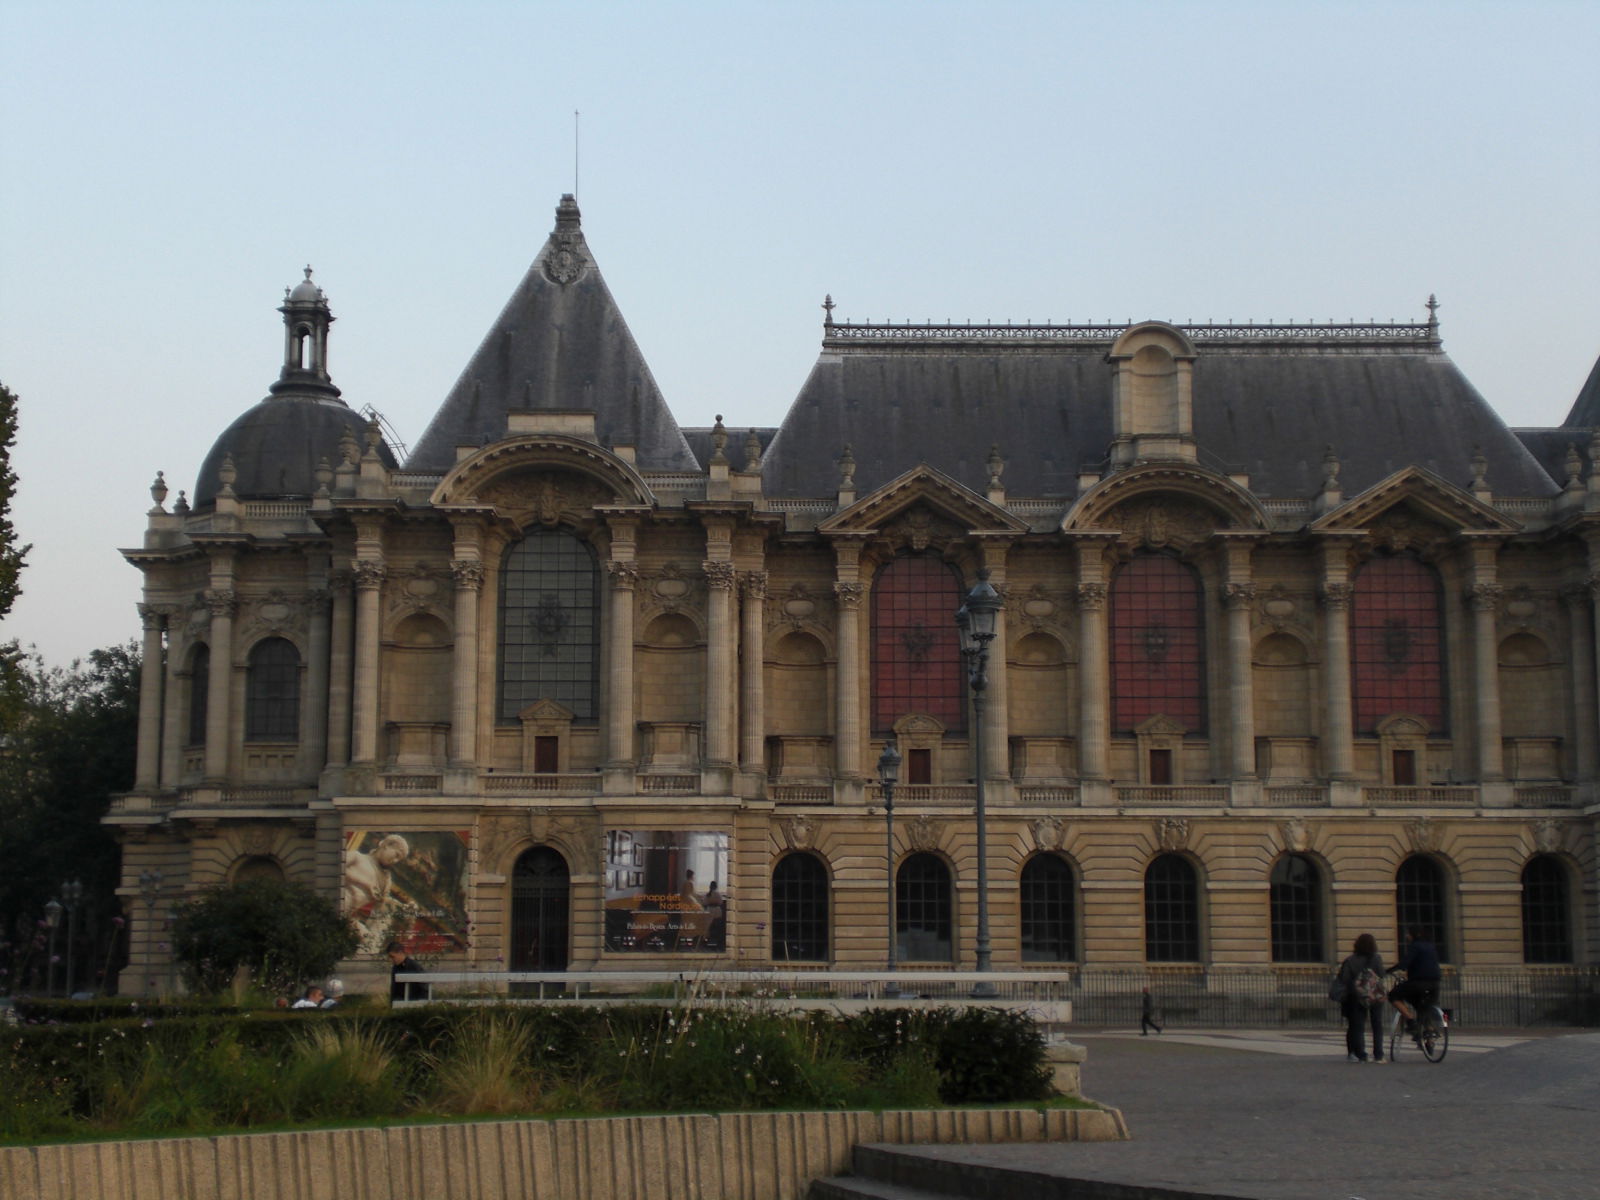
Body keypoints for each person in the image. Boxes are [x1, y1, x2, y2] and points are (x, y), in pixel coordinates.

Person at [1337, 932, 1386, 1062]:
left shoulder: (1351, 960)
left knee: (1358, 1026)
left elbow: (1344, 978)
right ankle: (1378, 1054)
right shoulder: (1377, 959)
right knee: (1377, 1025)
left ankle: (1361, 1054)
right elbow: (1382, 974)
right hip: (1375, 995)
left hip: (1357, 995)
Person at [1389, 925, 1442, 1031]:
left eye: (1408, 933)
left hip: (1419, 983)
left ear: (1414, 935)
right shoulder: (1430, 945)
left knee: (1393, 995)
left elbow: (1404, 964)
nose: (1406, 936)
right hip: (1435, 984)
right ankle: (1429, 1036)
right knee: (1422, 1007)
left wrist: (1387, 971)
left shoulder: (1415, 946)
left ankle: (1410, 1020)